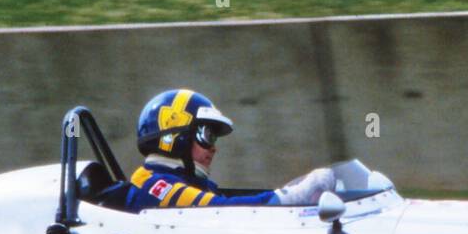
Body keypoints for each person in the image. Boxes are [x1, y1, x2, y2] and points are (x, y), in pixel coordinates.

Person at [118, 89, 334, 211]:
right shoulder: (154, 184)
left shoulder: (185, 183)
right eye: (207, 136)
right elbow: (223, 210)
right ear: (175, 136)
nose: (213, 149)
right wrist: (292, 196)